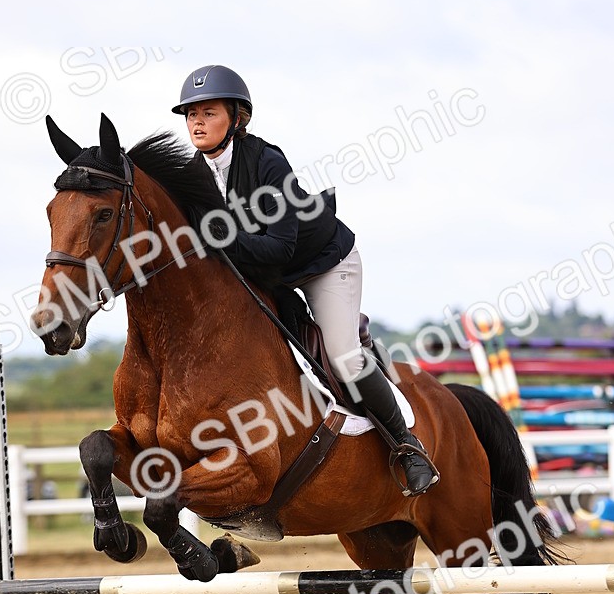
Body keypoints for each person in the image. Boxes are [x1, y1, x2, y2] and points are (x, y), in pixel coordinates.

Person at [172, 64, 437, 496]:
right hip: (270, 278)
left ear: (237, 118)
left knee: (344, 357)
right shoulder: (191, 176)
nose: (197, 122)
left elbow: (278, 248)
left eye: (209, 112)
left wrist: (224, 238)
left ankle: (407, 447)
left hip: (323, 264)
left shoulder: (267, 161)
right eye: (191, 114)